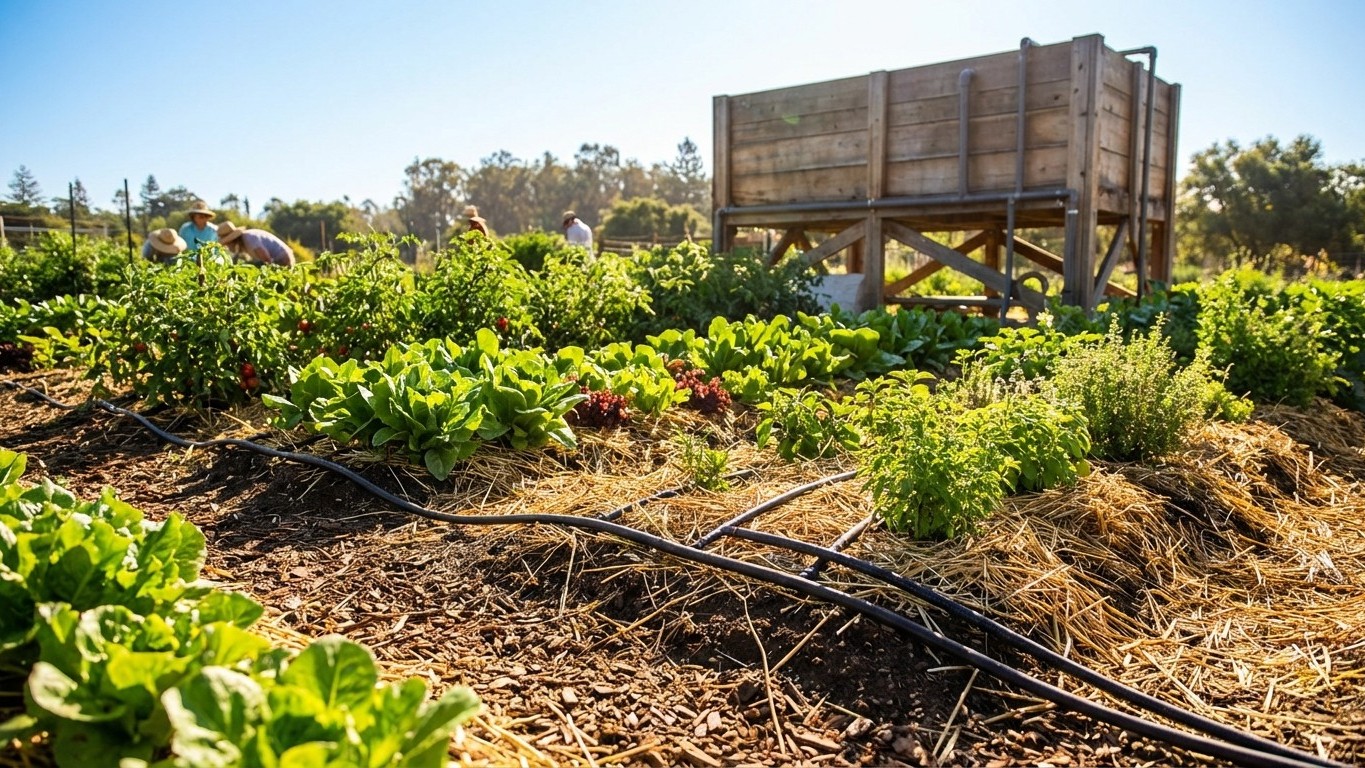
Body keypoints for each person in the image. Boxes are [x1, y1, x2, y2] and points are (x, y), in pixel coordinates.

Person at [216, 221, 295, 266]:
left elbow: (266, 259)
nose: (228, 247)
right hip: (279, 258)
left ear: (233, 240)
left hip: (282, 258)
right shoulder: (244, 242)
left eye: (228, 244)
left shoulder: (249, 239)